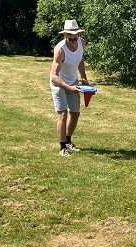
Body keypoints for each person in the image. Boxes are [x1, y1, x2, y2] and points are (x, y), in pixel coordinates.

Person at [50, 19, 89, 157]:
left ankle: (68, 141)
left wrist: (84, 78)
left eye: (75, 34)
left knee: (75, 113)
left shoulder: (81, 43)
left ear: (78, 34)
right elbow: (54, 76)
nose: (73, 37)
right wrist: (68, 87)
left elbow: (80, 60)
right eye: (69, 34)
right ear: (65, 35)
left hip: (73, 82)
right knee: (63, 113)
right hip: (59, 83)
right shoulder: (60, 49)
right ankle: (62, 148)